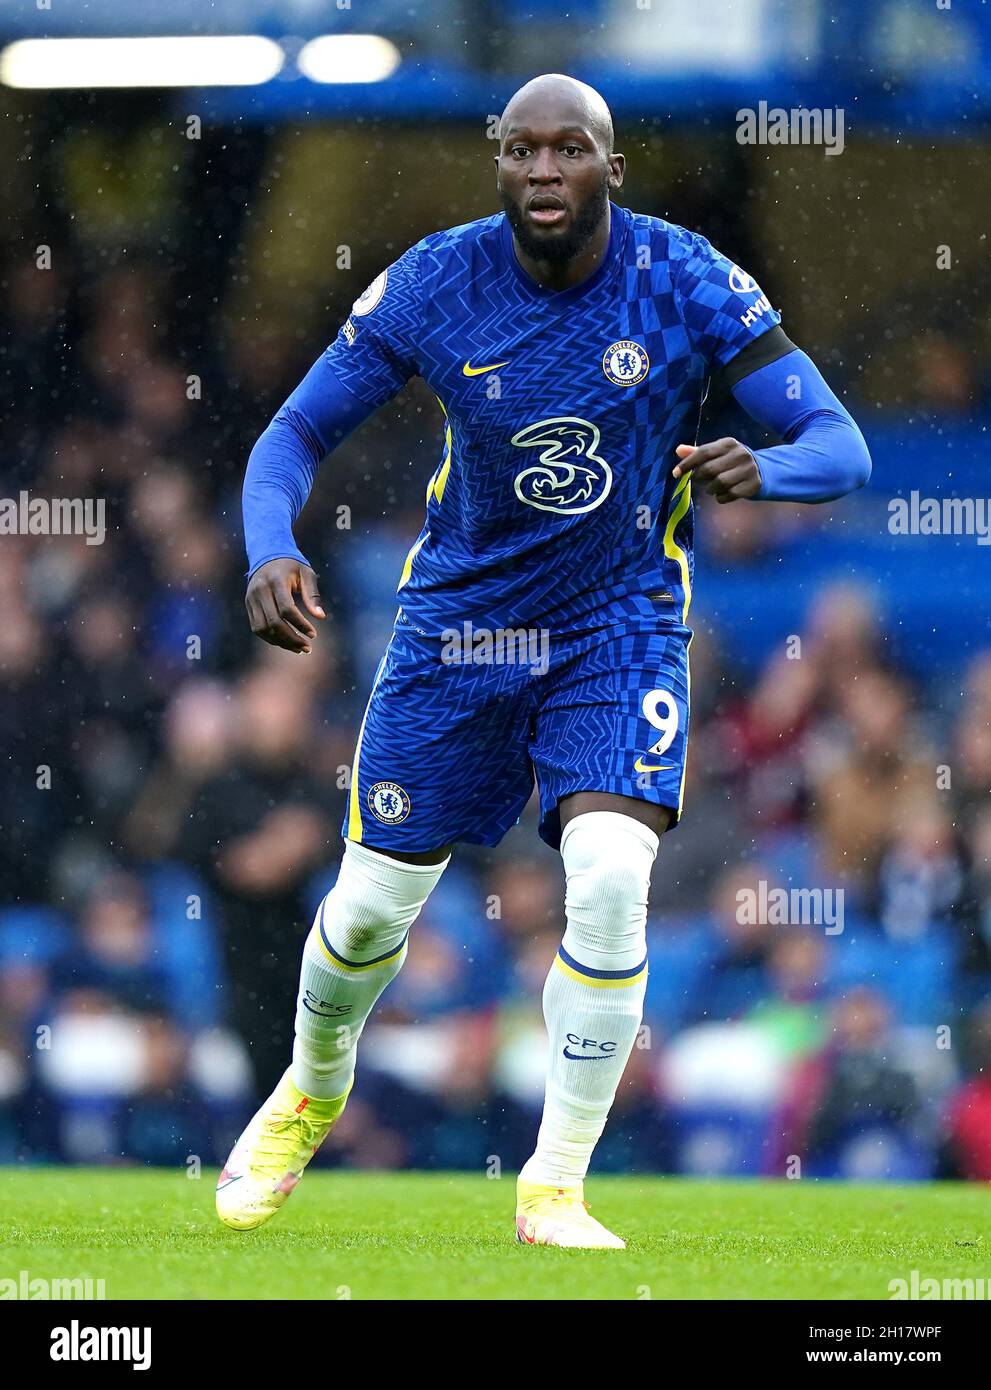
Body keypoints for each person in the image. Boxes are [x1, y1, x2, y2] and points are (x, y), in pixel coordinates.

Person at [219, 73, 870, 1247]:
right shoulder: (435, 280)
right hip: (458, 626)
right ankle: (310, 1090)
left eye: (570, 151)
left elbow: (839, 444)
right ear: (499, 164)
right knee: (371, 911)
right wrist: (270, 548)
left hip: (614, 626)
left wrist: (759, 470)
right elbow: (293, 432)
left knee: (614, 876)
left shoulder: (685, 280)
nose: (544, 172)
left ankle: (554, 1183)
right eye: (522, 151)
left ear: (611, 168)